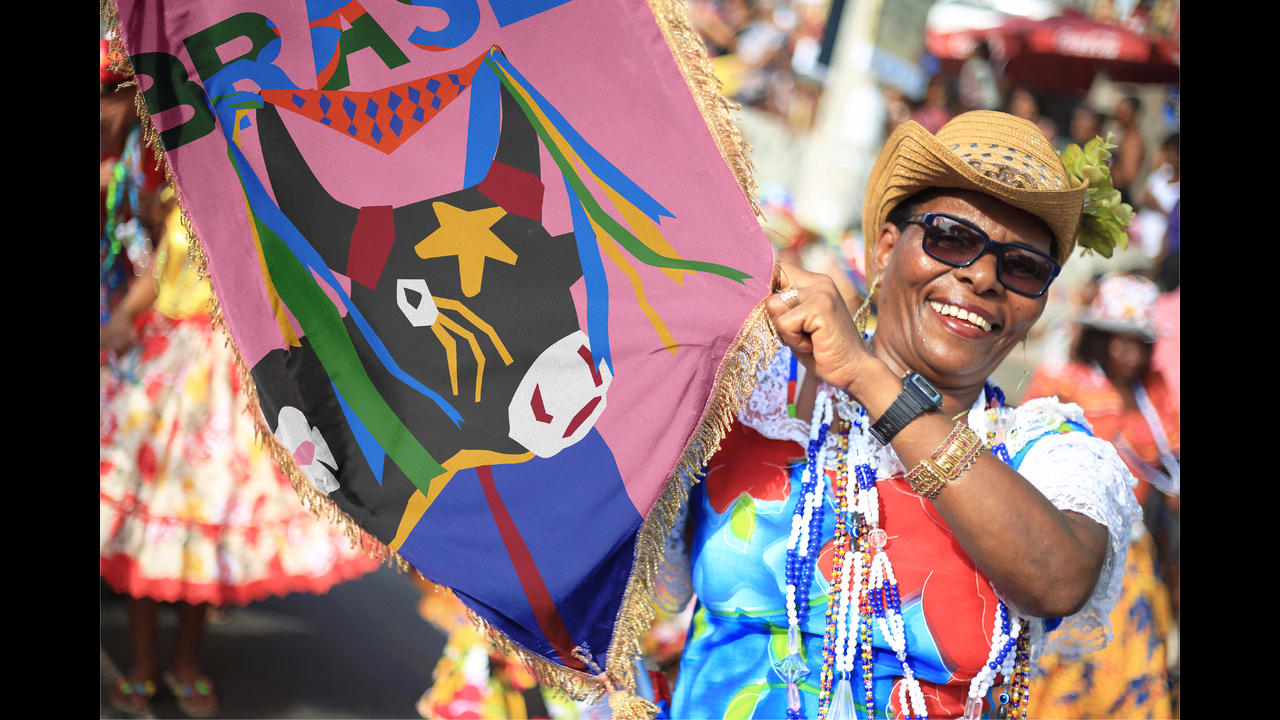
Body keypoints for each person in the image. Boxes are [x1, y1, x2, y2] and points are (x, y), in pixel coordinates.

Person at [667, 112, 1141, 719]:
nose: (983, 276)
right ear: (887, 248)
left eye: (1023, 267)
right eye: (952, 237)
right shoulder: (752, 390)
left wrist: (868, 377)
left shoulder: (1046, 451)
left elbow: (1057, 580)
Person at [101, 185, 383, 716]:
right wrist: (122, 317)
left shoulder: (258, 206)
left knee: (205, 522)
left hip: (225, 379)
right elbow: (158, 274)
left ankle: (185, 662)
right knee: (142, 523)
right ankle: (144, 664)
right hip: (162, 372)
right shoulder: (178, 193)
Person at [1021, 273, 1178, 718]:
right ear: (1099, 338)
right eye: (1120, 341)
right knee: (1066, 663)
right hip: (1074, 543)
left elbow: (1168, 457)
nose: (1132, 354)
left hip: (1134, 552)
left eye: (1141, 343)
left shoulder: (1153, 393)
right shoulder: (1065, 384)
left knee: (1134, 656)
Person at [1135, 133, 1180, 259]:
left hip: (1161, 246)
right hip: (1140, 237)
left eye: (1174, 152)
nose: (1169, 156)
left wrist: (1157, 205)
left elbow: (1175, 220)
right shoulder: (1161, 173)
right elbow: (1142, 196)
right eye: (1167, 151)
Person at [1110, 96, 1146, 208]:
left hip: (1124, 199)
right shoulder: (1126, 137)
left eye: (1120, 112)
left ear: (1131, 113)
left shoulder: (1134, 141)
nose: (1116, 117)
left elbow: (1128, 177)